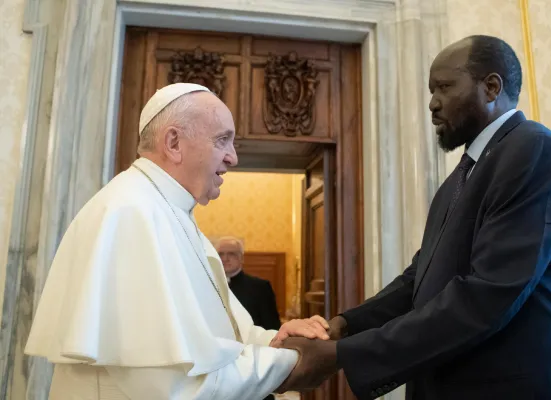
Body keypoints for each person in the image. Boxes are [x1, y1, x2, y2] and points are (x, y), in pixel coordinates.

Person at [273, 35, 551, 400]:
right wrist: (345, 325)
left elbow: (487, 295)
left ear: (491, 87)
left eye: (444, 87)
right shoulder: (460, 178)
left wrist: (341, 355)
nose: (432, 103)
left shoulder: (533, 150)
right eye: (431, 90)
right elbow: (420, 279)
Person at [24, 83, 329, 399]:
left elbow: (223, 334)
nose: (233, 157)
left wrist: (275, 340)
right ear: (173, 142)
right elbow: (179, 384)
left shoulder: (176, 216)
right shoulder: (131, 214)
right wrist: (292, 363)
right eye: (222, 140)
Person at [217, 236, 282, 331]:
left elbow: (271, 327)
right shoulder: (207, 286)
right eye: (220, 254)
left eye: (231, 254)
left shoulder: (260, 288)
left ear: (241, 258)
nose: (225, 259)